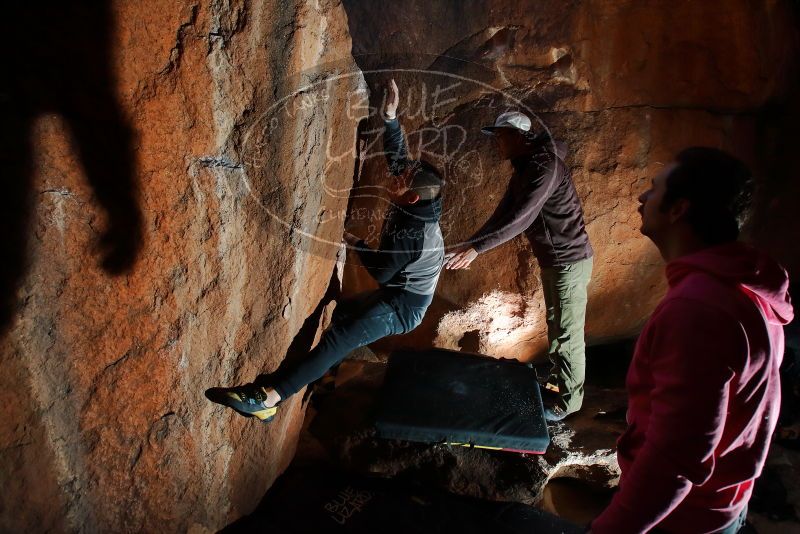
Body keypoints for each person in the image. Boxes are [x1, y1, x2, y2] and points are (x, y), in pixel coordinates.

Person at [206, 80, 445, 422]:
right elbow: (398, 159)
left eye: (402, 178)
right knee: (344, 320)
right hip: (399, 290)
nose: (395, 175)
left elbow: (381, 273)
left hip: (403, 307)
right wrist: (391, 119)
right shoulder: (418, 198)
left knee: (341, 338)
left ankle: (267, 400)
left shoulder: (413, 231)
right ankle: (311, 381)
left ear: (412, 198)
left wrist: (357, 243)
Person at [590, 148, 794, 533]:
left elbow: (676, 457)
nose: (641, 198)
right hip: (723, 503)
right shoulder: (745, 286)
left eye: (654, 189)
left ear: (679, 209)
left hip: (685, 518)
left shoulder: (698, 309)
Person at [445, 111, 593, 421]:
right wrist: (470, 244)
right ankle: (557, 388)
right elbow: (503, 213)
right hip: (557, 261)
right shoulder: (526, 168)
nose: (496, 143)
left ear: (518, 137)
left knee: (566, 333)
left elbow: (522, 217)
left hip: (568, 261)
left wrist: (476, 249)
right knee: (558, 328)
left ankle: (568, 404)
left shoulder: (545, 167)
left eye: (500, 136)